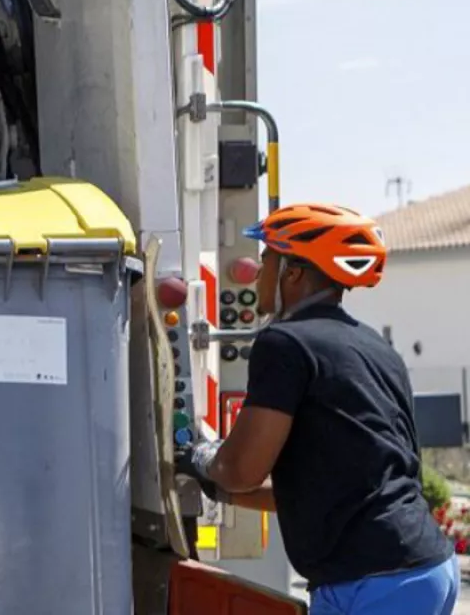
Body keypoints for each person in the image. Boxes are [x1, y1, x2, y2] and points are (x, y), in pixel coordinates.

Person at [176, 203, 459, 614]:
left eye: (266, 260)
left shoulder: (284, 344)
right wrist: (218, 488)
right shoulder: (376, 349)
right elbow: (330, 488)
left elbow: (241, 470)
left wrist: (201, 459)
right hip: (423, 567)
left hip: (373, 579)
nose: (258, 273)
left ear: (293, 272)